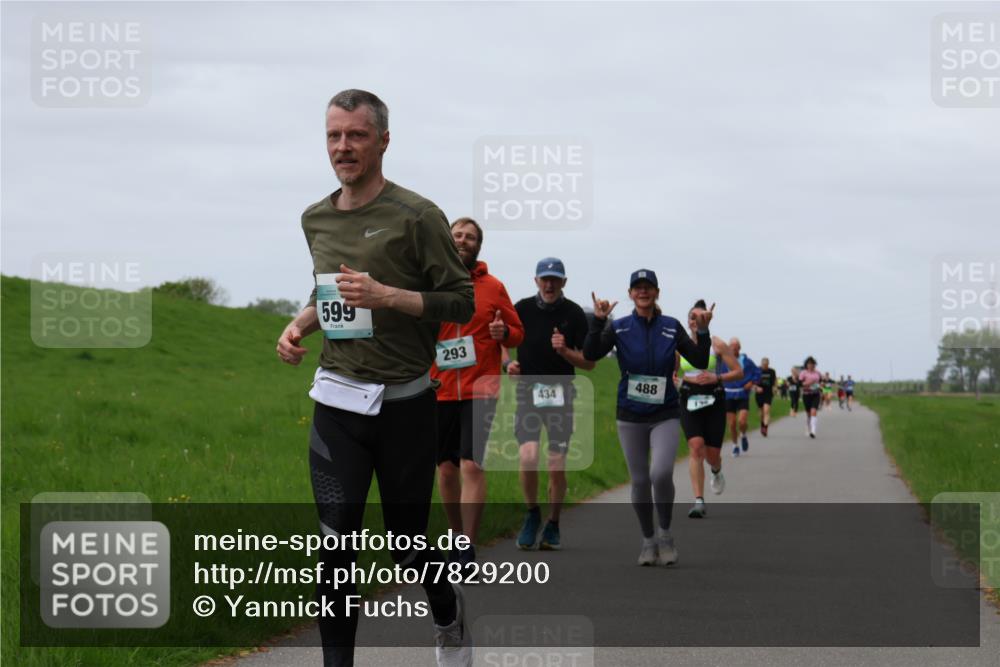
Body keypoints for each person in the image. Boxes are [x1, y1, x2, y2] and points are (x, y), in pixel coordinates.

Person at [275, 89, 475, 667]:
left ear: (383, 141)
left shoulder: (418, 217)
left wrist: (389, 296)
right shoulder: (314, 217)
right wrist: (298, 325)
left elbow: (459, 302)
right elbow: (326, 291)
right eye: (335, 136)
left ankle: (447, 614)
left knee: (407, 546)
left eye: (356, 135)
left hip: (406, 404)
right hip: (337, 398)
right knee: (336, 542)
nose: (344, 147)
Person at [585, 270, 713, 566]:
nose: (643, 292)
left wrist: (703, 332)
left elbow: (698, 359)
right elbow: (592, 353)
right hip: (629, 414)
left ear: (657, 292)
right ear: (630, 294)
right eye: (637, 288)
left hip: (665, 412)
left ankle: (665, 533)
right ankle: (647, 539)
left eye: (648, 288)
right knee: (641, 481)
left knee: (660, 474)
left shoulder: (671, 326)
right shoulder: (620, 327)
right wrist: (599, 321)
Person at [431, 217, 524, 579]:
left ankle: (467, 547)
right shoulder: (431, 283)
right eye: (457, 235)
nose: (463, 240)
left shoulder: (494, 287)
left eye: (470, 237)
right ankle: (455, 535)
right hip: (438, 387)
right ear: (446, 240)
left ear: (478, 246)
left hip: (481, 386)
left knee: (471, 463)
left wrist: (505, 332)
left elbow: (517, 333)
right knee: (446, 468)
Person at [508, 257, 593, 551]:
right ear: (536, 281)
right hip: (528, 394)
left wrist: (566, 352)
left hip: (561, 396)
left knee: (556, 464)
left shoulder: (575, 315)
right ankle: (532, 514)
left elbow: (589, 363)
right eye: (544, 279)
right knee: (528, 456)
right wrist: (510, 364)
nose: (549, 284)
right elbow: (503, 342)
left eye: (555, 279)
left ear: (564, 283)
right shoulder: (521, 309)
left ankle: (554, 523)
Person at [675, 300, 743, 519]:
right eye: (692, 317)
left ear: (707, 319)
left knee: (712, 456)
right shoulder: (680, 345)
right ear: (688, 321)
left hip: (713, 400)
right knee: (695, 447)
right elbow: (672, 372)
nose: (696, 321)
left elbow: (738, 372)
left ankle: (716, 470)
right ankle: (698, 501)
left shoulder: (717, 344)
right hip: (688, 400)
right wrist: (676, 381)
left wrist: (717, 376)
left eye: (700, 317)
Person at [717, 339, 760, 457]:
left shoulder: (746, 361)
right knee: (731, 424)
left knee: (742, 421)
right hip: (728, 394)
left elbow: (757, 372)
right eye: (731, 346)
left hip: (743, 394)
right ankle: (735, 446)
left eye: (736, 347)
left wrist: (752, 382)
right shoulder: (722, 361)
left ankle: (743, 435)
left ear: (739, 348)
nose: (733, 349)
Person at [799, 357, 823, 438]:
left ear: (814, 365)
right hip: (806, 394)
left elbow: (822, 383)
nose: (811, 365)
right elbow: (800, 384)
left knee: (814, 411)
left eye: (812, 364)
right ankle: (808, 427)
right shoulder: (803, 373)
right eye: (809, 364)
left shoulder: (818, 373)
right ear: (806, 365)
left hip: (816, 394)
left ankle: (813, 431)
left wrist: (822, 387)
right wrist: (808, 383)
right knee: (808, 414)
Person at [755, 357, 778, 437]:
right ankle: (762, 425)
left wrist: (775, 387)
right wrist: (756, 387)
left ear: (768, 364)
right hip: (759, 394)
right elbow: (753, 380)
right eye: (763, 364)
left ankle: (765, 428)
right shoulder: (757, 370)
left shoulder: (772, 371)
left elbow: (775, 381)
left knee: (766, 411)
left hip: (768, 393)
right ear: (761, 364)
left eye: (766, 364)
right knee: (761, 413)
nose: (764, 365)